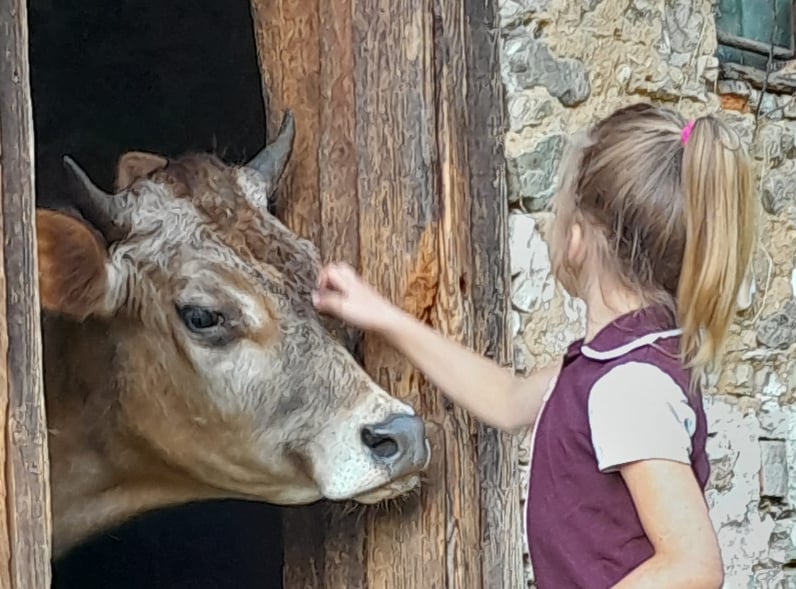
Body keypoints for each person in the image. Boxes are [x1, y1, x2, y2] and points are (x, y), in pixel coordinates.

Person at [311, 103, 757, 589]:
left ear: (578, 239)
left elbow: (693, 566)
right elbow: (506, 398)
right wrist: (384, 316)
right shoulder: (609, 365)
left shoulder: (630, 387)